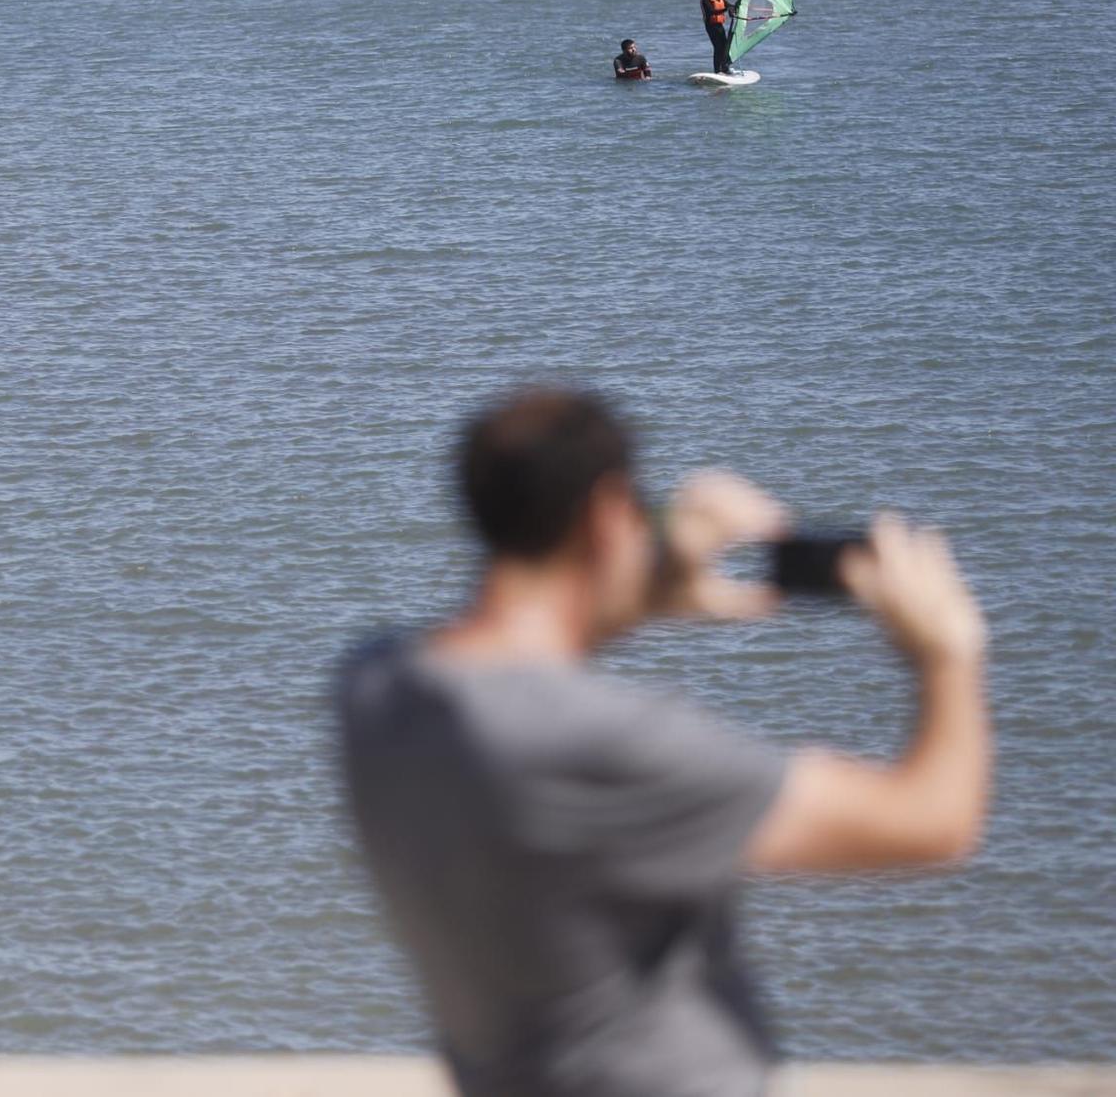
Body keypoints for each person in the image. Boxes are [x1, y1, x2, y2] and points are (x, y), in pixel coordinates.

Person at [336, 387, 990, 1097]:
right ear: (606, 514)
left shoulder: (375, 688)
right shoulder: (607, 749)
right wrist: (946, 652)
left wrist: (645, 583)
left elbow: (520, 649)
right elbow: (932, 821)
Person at [703, 0, 735, 74]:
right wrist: (726, 9)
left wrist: (734, 7)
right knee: (717, 48)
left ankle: (725, 68)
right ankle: (717, 70)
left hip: (719, 26)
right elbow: (712, 11)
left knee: (725, 46)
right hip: (711, 27)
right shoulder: (705, 0)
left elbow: (728, 4)